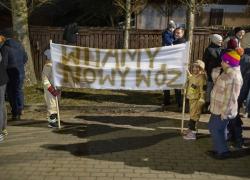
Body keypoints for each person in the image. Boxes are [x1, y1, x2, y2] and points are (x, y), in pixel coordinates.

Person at [208, 47, 243, 159]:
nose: (221, 62)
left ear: (228, 62)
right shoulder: (227, 73)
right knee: (219, 129)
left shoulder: (233, 76)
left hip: (222, 110)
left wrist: (225, 112)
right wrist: (216, 73)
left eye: (223, 61)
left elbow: (231, 98)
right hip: (217, 107)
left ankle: (223, 152)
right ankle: (220, 148)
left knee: (214, 128)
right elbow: (219, 87)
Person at [1, 31, 28, 120]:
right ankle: (20, 109)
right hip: (20, 71)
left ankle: (15, 112)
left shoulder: (5, 47)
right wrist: (19, 65)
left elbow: (4, 63)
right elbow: (25, 58)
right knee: (19, 90)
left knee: (11, 93)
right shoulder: (19, 45)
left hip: (10, 72)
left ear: (4, 37)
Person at [183, 60, 206, 140]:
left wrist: (202, 98)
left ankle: (192, 134)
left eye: (197, 67)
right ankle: (190, 129)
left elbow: (203, 90)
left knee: (194, 116)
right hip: (191, 99)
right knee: (192, 115)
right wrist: (187, 72)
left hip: (197, 100)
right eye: (194, 67)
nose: (195, 69)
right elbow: (191, 79)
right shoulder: (194, 76)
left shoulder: (201, 78)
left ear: (201, 69)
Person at [202, 34, 223, 111]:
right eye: (219, 40)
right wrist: (206, 71)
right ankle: (208, 104)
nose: (221, 42)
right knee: (210, 88)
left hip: (217, 72)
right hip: (212, 72)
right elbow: (205, 61)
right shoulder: (209, 49)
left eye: (221, 40)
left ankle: (211, 104)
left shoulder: (221, 48)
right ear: (214, 40)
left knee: (213, 88)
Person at [42, 49, 60, 128]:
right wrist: (50, 88)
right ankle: (51, 121)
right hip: (50, 89)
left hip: (57, 88)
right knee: (52, 105)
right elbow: (44, 78)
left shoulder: (56, 65)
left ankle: (55, 118)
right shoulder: (48, 66)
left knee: (56, 104)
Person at [162, 20, 176, 107]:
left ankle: (175, 99)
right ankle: (166, 99)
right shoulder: (166, 34)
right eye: (171, 27)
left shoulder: (174, 34)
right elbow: (170, 42)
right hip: (167, 59)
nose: (172, 28)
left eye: (173, 27)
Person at [173, 27, 186, 110]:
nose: (176, 34)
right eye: (176, 33)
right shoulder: (176, 42)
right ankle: (179, 102)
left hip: (179, 66)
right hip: (177, 66)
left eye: (178, 33)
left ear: (182, 33)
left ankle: (180, 103)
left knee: (178, 86)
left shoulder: (180, 42)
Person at [0, 35, 9, 141]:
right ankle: (3, 128)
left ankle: (1, 131)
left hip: (1, 80)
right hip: (3, 79)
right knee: (1, 104)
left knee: (0, 104)